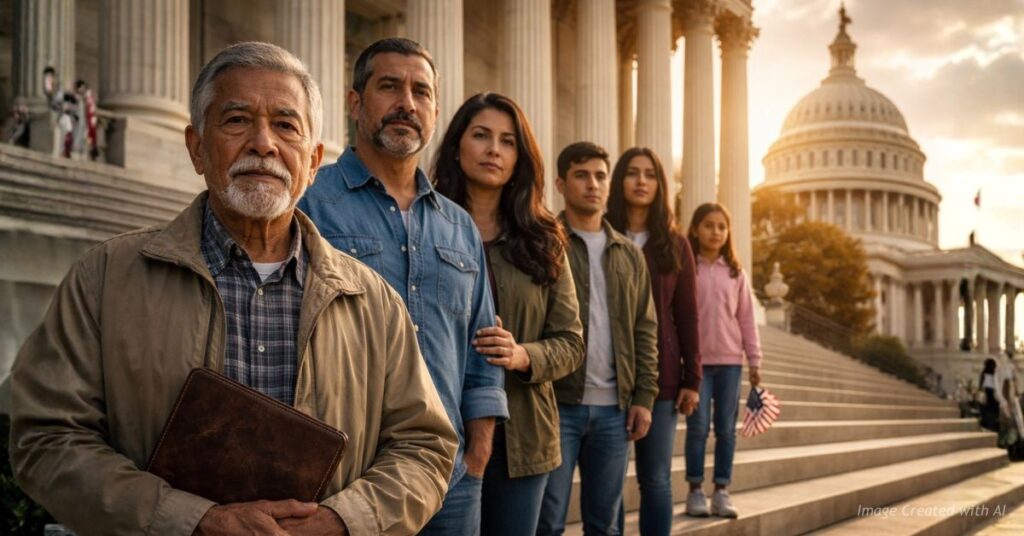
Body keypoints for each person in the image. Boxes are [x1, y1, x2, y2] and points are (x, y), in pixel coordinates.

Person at [9, 42, 458, 535]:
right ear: (196, 147)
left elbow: (424, 448)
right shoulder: (106, 278)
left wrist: (340, 521)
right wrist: (192, 521)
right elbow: (46, 438)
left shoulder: (373, 302)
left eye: (285, 125)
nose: (263, 143)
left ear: (313, 162)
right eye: (237, 120)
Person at [298, 39, 508, 535]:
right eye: (389, 86)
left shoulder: (459, 226)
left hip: (450, 480)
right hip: (345, 480)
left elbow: (481, 350)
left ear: (434, 112)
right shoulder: (310, 203)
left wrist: (477, 453)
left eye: (421, 92)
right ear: (355, 103)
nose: (407, 104)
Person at [432, 92, 585, 535]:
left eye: (507, 141)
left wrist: (522, 355)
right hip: (435, 432)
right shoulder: (423, 224)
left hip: (522, 438)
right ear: (457, 145)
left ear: (520, 158)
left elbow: (572, 342)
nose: (494, 150)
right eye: (481, 136)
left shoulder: (544, 238)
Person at [537, 141, 660, 535]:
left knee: (604, 525)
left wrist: (644, 397)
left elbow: (645, 330)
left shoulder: (629, 254)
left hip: (614, 412)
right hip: (557, 405)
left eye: (600, 176)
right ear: (561, 184)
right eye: (581, 175)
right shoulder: (542, 243)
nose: (593, 184)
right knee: (547, 522)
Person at [607, 147, 701, 535]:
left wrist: (692, 378)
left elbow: (688, 314)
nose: (641, 181)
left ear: (661, 186)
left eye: (650, 175)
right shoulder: (601, 234)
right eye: (633, 173)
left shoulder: (676, 244)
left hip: (661, 378)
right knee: (608, 483)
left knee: (656, 479)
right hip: (607, 375)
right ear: (620, 181)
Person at [684, 202, 763, 519]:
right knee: (698, 427)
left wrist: (754, 359)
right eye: (708, 225)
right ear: (695, 230)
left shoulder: (736, 273)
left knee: (726, 430)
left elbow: (747, 319)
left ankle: (721, 491)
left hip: (731, 363)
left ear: (728, 232)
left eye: (721, 226)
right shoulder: (687, 268)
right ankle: (695, 490)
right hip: (697, 364)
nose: (715, 232)